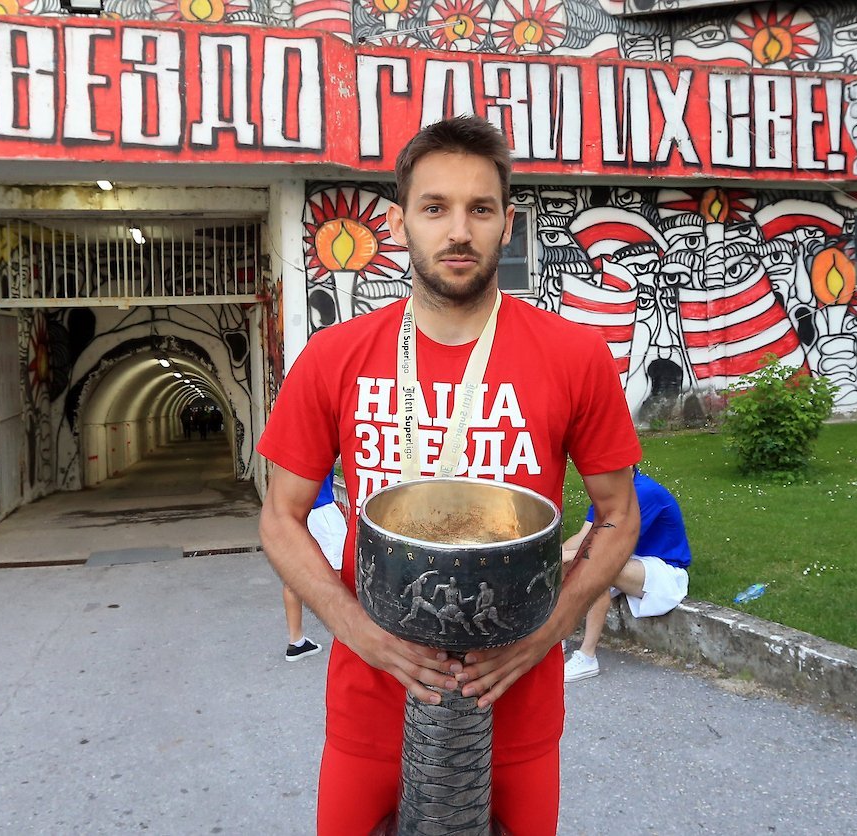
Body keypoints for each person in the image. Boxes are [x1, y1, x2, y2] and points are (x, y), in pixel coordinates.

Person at [257, 115, 641, 835]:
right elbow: (280, 517)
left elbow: (618, 513)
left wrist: (547, 633)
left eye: (481, 209)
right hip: (372, 702)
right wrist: (357, 630)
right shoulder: (335, 356)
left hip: (515, 701)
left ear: (507, 224)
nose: (458, 231)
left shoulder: (573, 355)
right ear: (400, 220)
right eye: (435, 207)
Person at [561, 468, 692, 682]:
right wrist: (553, 556)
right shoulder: (608, 492)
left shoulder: (644, 492)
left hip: (666, 572)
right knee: (569, 565)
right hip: (632, 562)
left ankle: (587, 657)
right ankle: (558, 637)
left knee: (598, 568)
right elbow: (584, 536)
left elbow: (607, 548)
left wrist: (565, 557)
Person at [283, 474, 346, 661]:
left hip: (293, 511)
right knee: (341, 575)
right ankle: (348, 643)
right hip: (321, 508)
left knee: (293, 575)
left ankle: (296, 641)